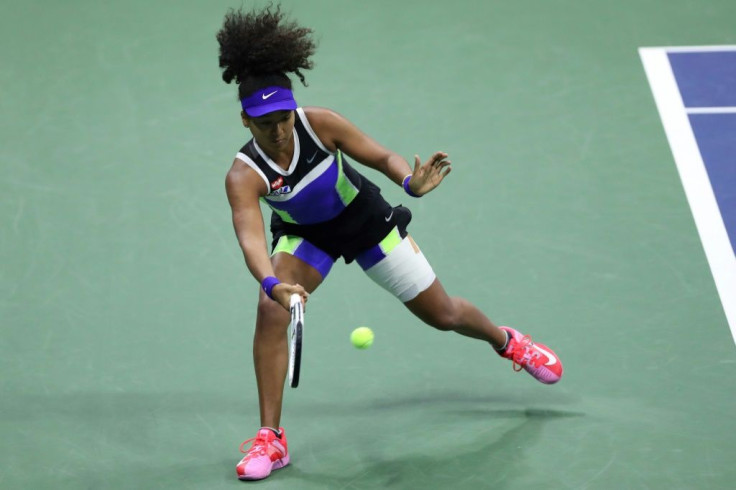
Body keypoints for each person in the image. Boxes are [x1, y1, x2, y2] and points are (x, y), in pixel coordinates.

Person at [217, 5, 563, 482]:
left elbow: (379, 156)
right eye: (264, 123)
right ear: (244, 121)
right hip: (306, 236)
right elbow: (252, 239)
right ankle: (271, 440)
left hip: (365, 222)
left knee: (444, 314)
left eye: (283, 118)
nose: (277, 131)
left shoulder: (320, 124)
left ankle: (509, 343)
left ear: (293, 108)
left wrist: (408, 181)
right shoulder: (244, 175)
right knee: (269, 308)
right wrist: (273, 283)